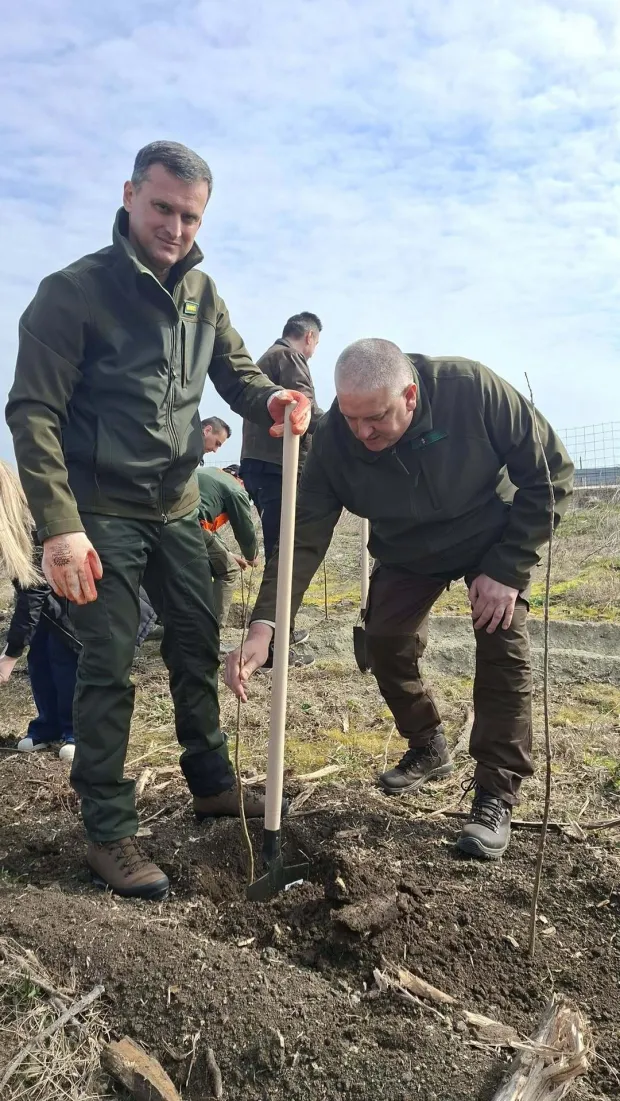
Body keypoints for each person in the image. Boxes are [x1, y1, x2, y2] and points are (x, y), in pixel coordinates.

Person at [6, 139, 311, 901]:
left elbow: (237, 373)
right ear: (130, 195)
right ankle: (108, 830)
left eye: (190, 214)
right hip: (99, 510)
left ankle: (209, 780)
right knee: (108, 662)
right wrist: (59, 525)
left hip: (178, 505)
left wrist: (270, 401)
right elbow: (32, 411)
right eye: (163, 208)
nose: (176, 226)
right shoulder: (71, 292)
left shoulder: (202, 294)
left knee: (192, 642)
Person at [226, 339, 574, 861]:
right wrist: (266, 625)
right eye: (351, 418)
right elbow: (303, 538)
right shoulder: (333, 440)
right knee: (384, 641)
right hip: (408, 550)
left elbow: (551, 474)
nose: (363, 433)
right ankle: (428, 742)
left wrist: (508, 568)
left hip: (490, 535)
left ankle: (495, 793)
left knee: (502, 640)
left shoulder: (471, 390)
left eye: (376, 419)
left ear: (410, 395)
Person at [241, 312, 323, 647]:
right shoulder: (289, 357)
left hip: (261, 466)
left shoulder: (267, 358)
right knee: (284, 552)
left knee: (280, 548)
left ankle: (278, 634)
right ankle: (274, 643)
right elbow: (305, 409)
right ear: (310, 338)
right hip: (278, 466)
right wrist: (342, 433)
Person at [196, 465, 259, 627]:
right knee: (228, 571)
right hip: (192, 526)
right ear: (241, 479)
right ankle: (212, 631)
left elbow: (209, 529)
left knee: (199, 571)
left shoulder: (210, 476)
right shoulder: (235, 488)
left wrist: (230, 554)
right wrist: (252, 555)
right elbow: (244, 527)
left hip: (175, 522)